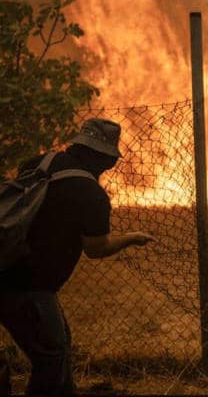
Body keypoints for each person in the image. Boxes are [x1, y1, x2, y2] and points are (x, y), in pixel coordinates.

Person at [0, 118, 156, 395]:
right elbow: (96, 249)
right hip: (28, 286)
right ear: (103, 158)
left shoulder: (39, 163)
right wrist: (131, 238)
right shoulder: (91, 195)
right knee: (52, 356)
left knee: (58, 342)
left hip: (6, 267)